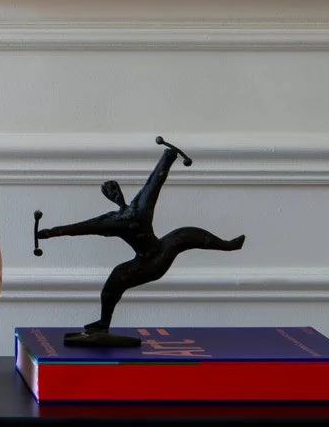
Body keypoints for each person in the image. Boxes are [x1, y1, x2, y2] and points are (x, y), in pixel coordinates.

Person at [32, 138, 244, 345]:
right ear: (109, 197)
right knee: (114, 280)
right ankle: (103, 324)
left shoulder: (137, 208)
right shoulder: (112, 221)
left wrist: (167, 157)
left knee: (185, 234)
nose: (114, 194)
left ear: (119, 190)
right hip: (145, 263)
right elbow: (80, 228)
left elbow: (154, 183)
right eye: (109, 192)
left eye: (114, 188)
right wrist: (50, 233)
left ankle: (228, 245)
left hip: (160, 252)